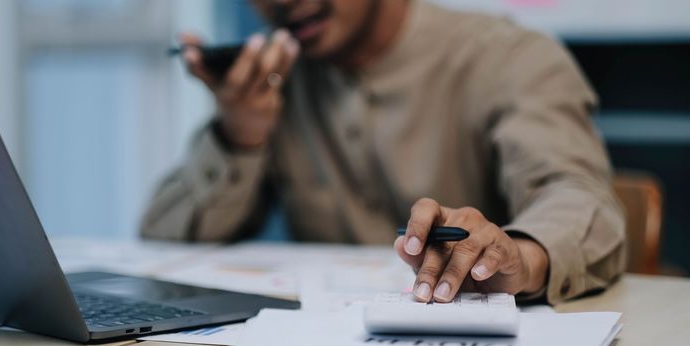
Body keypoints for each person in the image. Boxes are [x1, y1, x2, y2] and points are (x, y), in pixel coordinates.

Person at [141, 0, 626, 305]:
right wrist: (240, 134)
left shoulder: (509, 56)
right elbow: (160, 241)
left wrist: (520, 257)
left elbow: (581, 198)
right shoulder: (273, 81)